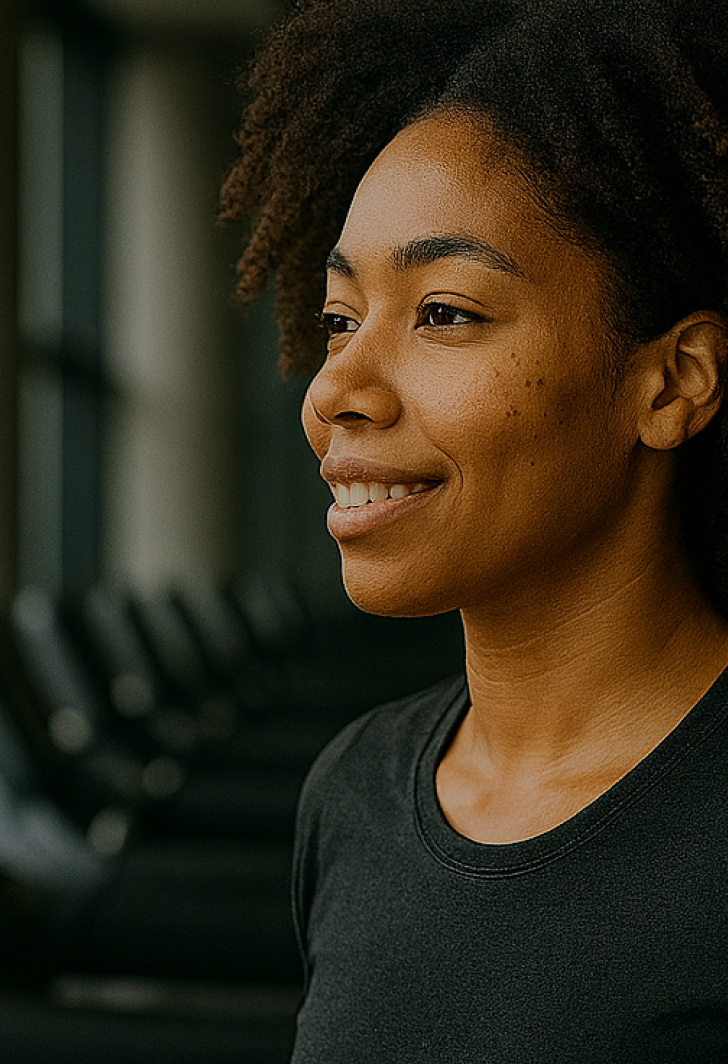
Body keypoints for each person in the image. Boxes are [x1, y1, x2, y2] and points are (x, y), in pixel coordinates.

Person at [220, 0, 728, 1058]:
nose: (333, 390)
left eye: (444, 312)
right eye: (337, 319)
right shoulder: (352, 790)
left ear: (672, 381)